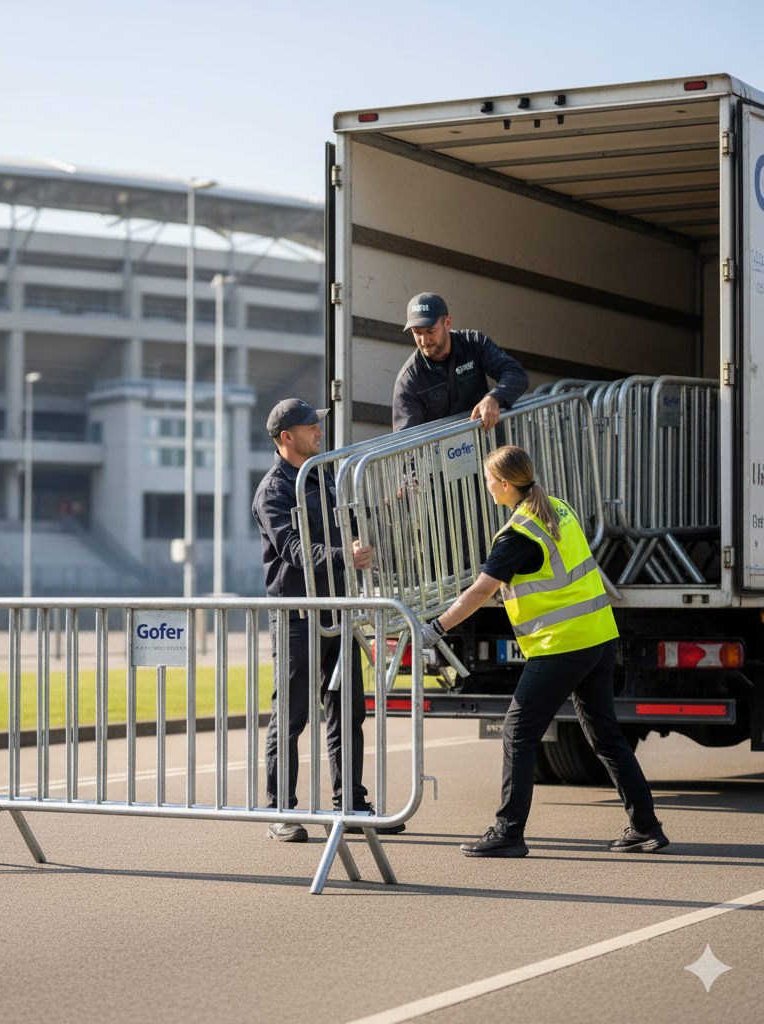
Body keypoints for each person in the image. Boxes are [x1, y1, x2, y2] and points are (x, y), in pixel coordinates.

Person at [418, 445, 668, 857]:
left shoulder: (518, 534)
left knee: (518, 732)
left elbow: (481, 590)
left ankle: (508, 832)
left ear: (503, 484)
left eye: (487, 481)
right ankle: (646, 827)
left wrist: (437, 628)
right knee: (606, 737)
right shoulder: (558, 507)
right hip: (599, 637)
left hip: (562, 646)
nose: (486, 488)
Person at [252, 398, 405, 841]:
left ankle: (352, 806)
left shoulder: (322, 477)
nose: (319, 432)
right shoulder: (274, 491)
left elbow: (352, 522)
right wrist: (346, 557)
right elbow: (294, 552)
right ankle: (280, 812)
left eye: (318, 425)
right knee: (292, 715)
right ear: (286, 438)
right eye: (310, 427)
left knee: (348, 710)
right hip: (297, 617)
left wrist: (389, 507)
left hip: (337, 612)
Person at [393, 292, 529, 432]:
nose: (424, 341)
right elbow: (406, 442)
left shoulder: (474, 343)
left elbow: (516, 374)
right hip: (443, 453)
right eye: (417, 332)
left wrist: (494, 398)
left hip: (486, 445)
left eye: (431, 331)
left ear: (447, 323)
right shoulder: (408, 381)